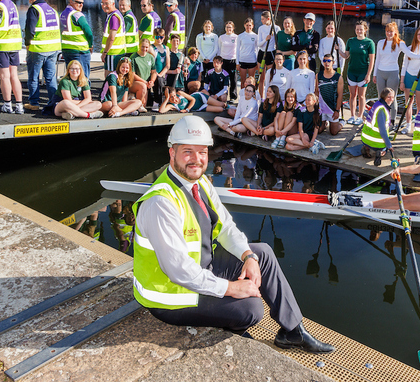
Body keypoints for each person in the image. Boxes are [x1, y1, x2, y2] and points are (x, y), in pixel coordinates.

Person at [131, 116, 334, 353]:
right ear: (172, 153)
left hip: (200, 268)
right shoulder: (160, 203)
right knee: (251, 309)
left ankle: (293, 331)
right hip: (169, 295)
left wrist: (248, 256)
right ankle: (229, 325)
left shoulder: (200, 183)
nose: (197, 159)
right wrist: (230, 288)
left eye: (202, 152)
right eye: (188, 151)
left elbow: (226, 226)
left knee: (263, 254)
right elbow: (179, 271)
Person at [23, 0, 60, 112]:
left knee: (33, 78)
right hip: (53, 49)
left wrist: (27, 44)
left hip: (38, 49)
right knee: (50, 78)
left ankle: (34, 102)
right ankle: (53, 103)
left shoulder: (34, 9)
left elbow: (30, 30)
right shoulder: (53, 10)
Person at [372, 21, 420, 118]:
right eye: (387, 31)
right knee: (380, 97)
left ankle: (392, 121)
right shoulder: (381, 43)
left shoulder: (400, 44)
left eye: (391, 31)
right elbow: (377, 59)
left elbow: (409, 54)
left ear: (395, 32)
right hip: (381, 73)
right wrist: (374, 74)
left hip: (393, 73)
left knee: (391, 98)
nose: (389, 33)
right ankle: (381, 119)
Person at [339, 20, 375, 126]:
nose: (359, 31)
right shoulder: (351, 41)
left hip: (363, 73)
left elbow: (372, 60)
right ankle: (352, 116)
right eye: (357, 29)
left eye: (361, 29)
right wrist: (338, 50)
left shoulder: (369, 43)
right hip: (351, 72)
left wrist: (368, 74)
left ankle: (360, 117)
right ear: (355, 30)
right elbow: (346, 56)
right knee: (352, 95)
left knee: (361, 96)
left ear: (365, 30)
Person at [400, 25, 420, 135]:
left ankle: (418, 127)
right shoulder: (410, 48)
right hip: (409, 76)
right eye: (419, 34)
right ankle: (408, 126)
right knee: (408, 103)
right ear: (416, 35)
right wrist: (402, 81)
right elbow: (404, 65)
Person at [60, 0, 94, 80]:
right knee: (83, 77)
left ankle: (73, 93)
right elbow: (89, 32)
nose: (81, 4)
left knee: (71, 76)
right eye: (78, 2)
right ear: (71, 2)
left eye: (82, 2)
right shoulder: (77, 15)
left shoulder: (62, 14)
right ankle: (85, 93)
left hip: (66, 49)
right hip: (80, 51)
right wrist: (90, 45)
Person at [360, 88, 396, 166]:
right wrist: (389, 146)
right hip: (376, 142)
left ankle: (366, 147)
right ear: (384, 97)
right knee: (385, 147)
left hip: (365, 138)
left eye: (393, 97)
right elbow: (382, 131)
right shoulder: (382, 110)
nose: (391, 99)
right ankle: (380, 152)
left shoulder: (376, 104)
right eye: (389, 97)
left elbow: (368, 115)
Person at [318, 52, 344, 135]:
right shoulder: (318, 75)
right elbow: (316, 92)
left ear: (333, 62)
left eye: (329, 61)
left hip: (332, 109)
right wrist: (316, 108)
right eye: (324, 61)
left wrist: (337, 110)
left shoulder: (338, 77)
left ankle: (342, 123)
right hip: (321, 109)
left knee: (333, 132)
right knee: (319, 130)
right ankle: (324, 123)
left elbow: (340, 95)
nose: (326, 63)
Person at [256, 10, 281, 96]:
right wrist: (266, 39)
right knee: (261, 77)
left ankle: (270, 96)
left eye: (263, 19)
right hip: (262, 53)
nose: (261, 21)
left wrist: (275, 35)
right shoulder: (260, 28)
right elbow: (258, 44)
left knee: (270, 78)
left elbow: (278, 43)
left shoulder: (276, 28)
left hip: (271, 53)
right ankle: (261, 97)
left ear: (269, 19)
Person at [100, 0, 126, 74]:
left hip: (113, 53)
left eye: (107, 3)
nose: (104, 6)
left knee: (110, 76)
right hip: (116, 52)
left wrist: (105, 52)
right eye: (102, 3)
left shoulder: (114, 17)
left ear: (113, 4)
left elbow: (112, 37)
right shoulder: (115, 14)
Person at [130, 39, 157, 110]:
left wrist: (152, 81)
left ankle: (137, 103)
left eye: (146, 47)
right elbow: (132, 74)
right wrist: (144, 82)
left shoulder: (150, 57)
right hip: (135, 82)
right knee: (143, 86)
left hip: (146, 83)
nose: (144, 49)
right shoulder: (134, 57)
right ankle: (135, 106)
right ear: (139, 46)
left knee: (144, 105)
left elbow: (154, 72)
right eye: (143, 47)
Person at [235, 18, 259, 91]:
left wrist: (257, 62)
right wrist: (237, 63)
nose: (248, 27)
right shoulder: (240, 36)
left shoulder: (255, 36)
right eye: (247, 25)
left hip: (252, 60)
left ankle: (251, 96)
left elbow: (257, 50)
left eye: (250, 25)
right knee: (243, 81)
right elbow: (237, 50)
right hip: (243, 60)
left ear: (252, 26)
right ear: (244, 25)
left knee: (251, 81)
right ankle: (243, 96)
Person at [218, 21, 239, 100]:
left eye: (230, 27)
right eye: (227, 27)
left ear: (233, 28)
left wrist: (237, 62)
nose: (228, 29)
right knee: (223, 79)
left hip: (232, 60)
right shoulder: (221, 37)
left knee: (233, 79)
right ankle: (222, 95)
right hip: (223, 61)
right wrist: (219, 61)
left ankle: (233, 96)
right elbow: (219, 49)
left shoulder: (236, 37)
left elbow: (238, 50)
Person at [150, 28, 170, 108]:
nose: (159, 39)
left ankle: (162, 100)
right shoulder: (151, 48)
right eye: (157, 37)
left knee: (160, 79)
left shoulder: (166, 48)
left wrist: (161, 74)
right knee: (158, 80)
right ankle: (156, 101)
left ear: (164, 37)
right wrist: (156, 74)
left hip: (162, 74)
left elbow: (168, 65)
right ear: (153, 37)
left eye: (161, 37)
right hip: (153, 73)